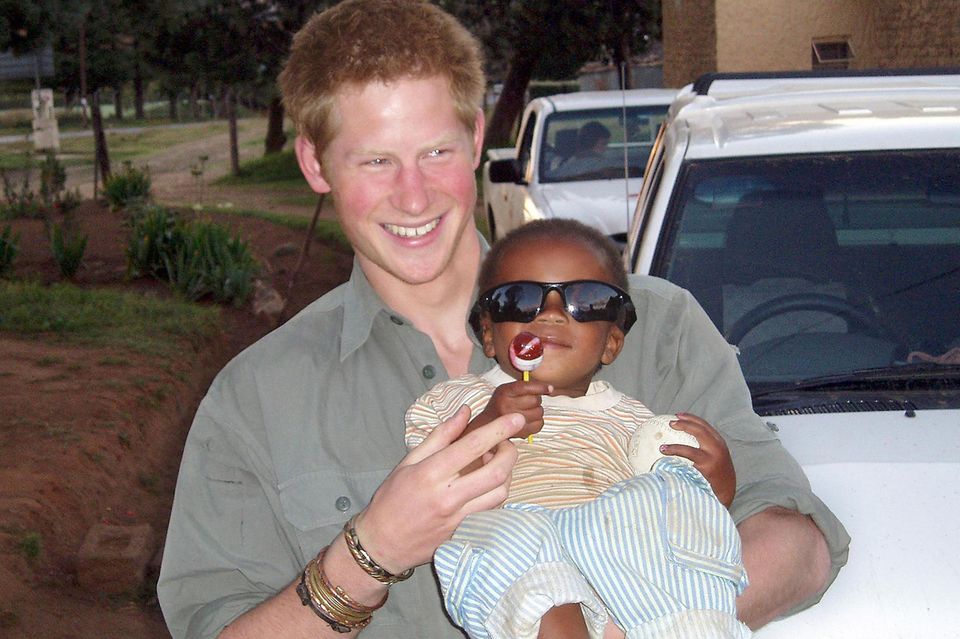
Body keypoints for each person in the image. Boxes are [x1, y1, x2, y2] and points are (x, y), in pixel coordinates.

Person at [157, 1, 849, 638]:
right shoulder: (254, 402)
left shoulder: (653, 326)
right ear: (314, 162)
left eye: (436, 152)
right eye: (375, 160)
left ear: (478, 135)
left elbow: (800, 544)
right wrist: (370, 554)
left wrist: (633, 627)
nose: (414, 195)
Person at [405, 219, 752, 639]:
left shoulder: (633, 420)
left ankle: (688, 627)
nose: (551, 315)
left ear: (611, 343)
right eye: (521, 300)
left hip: (611, 574)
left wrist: (714, 485)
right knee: (517, 537)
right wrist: (487, 426)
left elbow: (674, 523)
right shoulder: (455, 403)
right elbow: (428, 491)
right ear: (489, 335)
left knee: (657, 497)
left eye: (586, 302)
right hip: (510, 555)